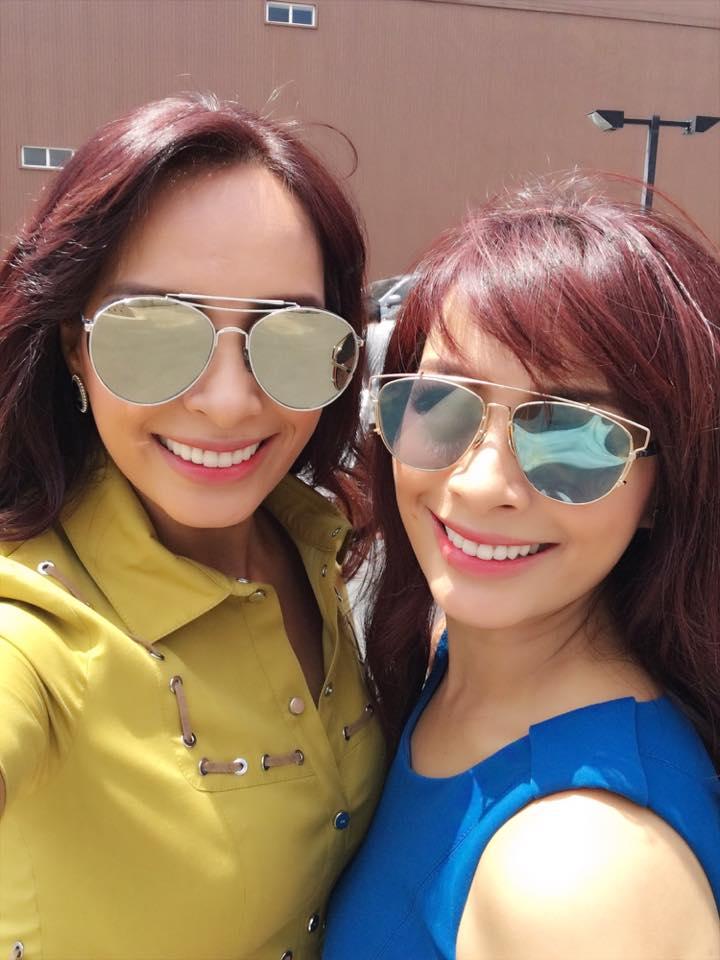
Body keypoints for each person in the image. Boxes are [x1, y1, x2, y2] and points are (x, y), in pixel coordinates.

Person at [0, 93, 385, 960]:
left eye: (287, 333)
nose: (228, 401)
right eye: (152, 331)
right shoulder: (34, 627)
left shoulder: (313, 541)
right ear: (72, 346)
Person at [324, 181, 720, 959]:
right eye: (442, 404)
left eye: (573, 436)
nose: (480, 484)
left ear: (664, 488)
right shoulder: (454, 655)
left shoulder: (580, 871)